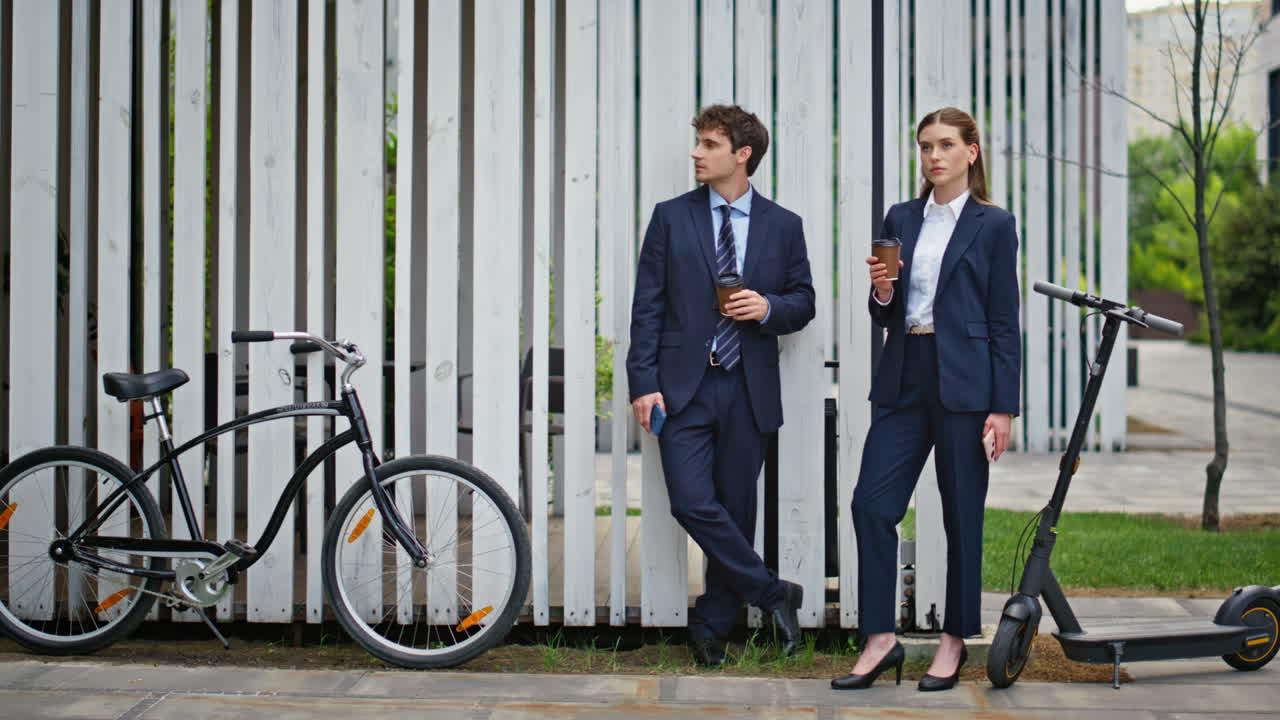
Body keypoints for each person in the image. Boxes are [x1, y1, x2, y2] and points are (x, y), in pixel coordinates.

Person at [831, 107, 1021, 691]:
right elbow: (885, 311)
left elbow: (1003, 320)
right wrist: (882, 289)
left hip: (967, 385)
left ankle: (955, 639)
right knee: (871, 504)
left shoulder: (993, 224)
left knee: (960, 515)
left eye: (944, 145)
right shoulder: (902, 217)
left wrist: (1004, 405)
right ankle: (881, 638)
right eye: (924, 147)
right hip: (905, 373)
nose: (933, 156)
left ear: (972, 151)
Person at [627, 104, 816, 666]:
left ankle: (712, 625)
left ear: (742, 155)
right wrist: (643, 382)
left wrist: (767, 307)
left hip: (748, 388)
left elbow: (803, 301)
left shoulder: (784, 226)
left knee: (735, 511)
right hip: (682, 389)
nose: (696, 153)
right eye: (698, 143)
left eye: (709, 144)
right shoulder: (670, 217)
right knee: (691, 502)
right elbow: (648, 308)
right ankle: (773, 593)